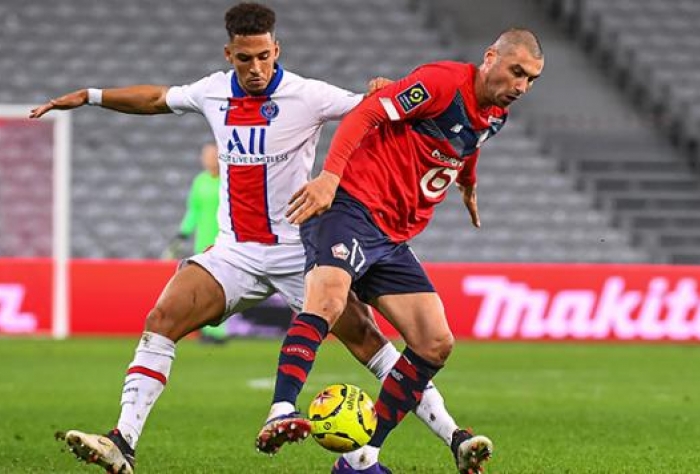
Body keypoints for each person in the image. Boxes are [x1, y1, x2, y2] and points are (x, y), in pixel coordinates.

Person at [29, 3, 467, 473]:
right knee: (163, 318)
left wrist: (388, 93)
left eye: (263, 56)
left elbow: (375, 114)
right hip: (235, 252)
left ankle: (453, 436)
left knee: (371, 345)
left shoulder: (309, 95)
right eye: (245, 58)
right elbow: (156, 99)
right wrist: (90, 95)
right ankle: (123, 441)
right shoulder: (212, 92)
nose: (256, 68)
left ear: (276, 49)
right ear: (229, 54)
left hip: (300, 251)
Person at [259, 28, 545, 473]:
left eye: (531, 79)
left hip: (391, 238)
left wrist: (468, 184)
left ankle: (361, 457)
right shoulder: (441, 83)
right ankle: (280, 410)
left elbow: (468, 143)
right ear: (491, 57)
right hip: (349, 207)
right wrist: (331, 178)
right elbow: (368, 113)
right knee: (330, 300)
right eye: (516, 72)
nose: (522, 87)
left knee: (435, 343)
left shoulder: (495, 115)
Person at [165, 143, 229, 343]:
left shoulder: (228, 180)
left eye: (213, 155)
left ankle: (219, 332)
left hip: (225, 240)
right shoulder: (200, 181)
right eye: (207, 155)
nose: (210, 159)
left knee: (223, 285)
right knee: (204, 287)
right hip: (203, 241)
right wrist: (183, 233)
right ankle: (206, 330)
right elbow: (193, 210)